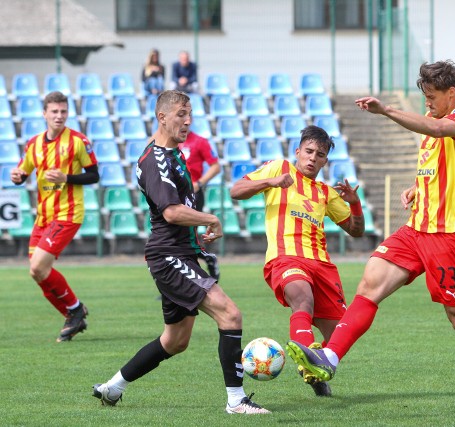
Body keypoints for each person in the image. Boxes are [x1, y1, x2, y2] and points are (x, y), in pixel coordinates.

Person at [286, 60, 455, 416]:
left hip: (449, 236)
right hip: (416, 230)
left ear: (451, 93)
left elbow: (438, 131)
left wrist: (386, 110)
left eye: (432, 97)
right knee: (370, 284)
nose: (427, 104)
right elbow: (436, 168)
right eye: (424, 97)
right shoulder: (433, 123)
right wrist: (416, 189)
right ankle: (329, 356)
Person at [92, 90, 269, 415]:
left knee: (175, 341)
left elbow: (175, 212)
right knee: (230, 315)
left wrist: (197, 240)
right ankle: (236, 401)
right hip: (168, 257)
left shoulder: (173, 154)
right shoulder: (156, 159)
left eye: (190, 114)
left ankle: (111, 388)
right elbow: (171, 212)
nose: (187, 121)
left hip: (180, 254)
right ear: (162, 117)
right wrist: (210, 218)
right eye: (180, 115)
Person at [230, 125, 365, 397]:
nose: (313, 158)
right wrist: (270, 182)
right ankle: (308, 359)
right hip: (286, 257)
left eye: (320, 154)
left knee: (341, 332)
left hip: (322, 266)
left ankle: (315, 371)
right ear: (298, 151)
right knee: (302, 299)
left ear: (326, 160)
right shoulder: (279, 168)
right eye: (309, 151)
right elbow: (237, 190)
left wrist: (354, 204)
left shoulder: (326, 193)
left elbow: (356, 230)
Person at [10, 91, 98, 343]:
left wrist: (66, 178)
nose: (59, 116)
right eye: (54, 111)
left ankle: (75, 310)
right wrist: (17, 177)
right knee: (36, 272)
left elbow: (94, 175)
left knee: (39, 266)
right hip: (43, 217)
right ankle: (73, 313)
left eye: (63, 111)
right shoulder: (33, 143)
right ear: (45, 113)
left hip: (68, 213)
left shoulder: (78, 141)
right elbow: (23, 173)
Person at [179, 130, 221, 276]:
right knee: (177, 239)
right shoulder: (169, 142)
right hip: (173, 194)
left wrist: (200, 183)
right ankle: (206, 259)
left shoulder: (199, 141)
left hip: (192, 195)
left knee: (185, 237)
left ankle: (205, 261)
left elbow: (216, 166)